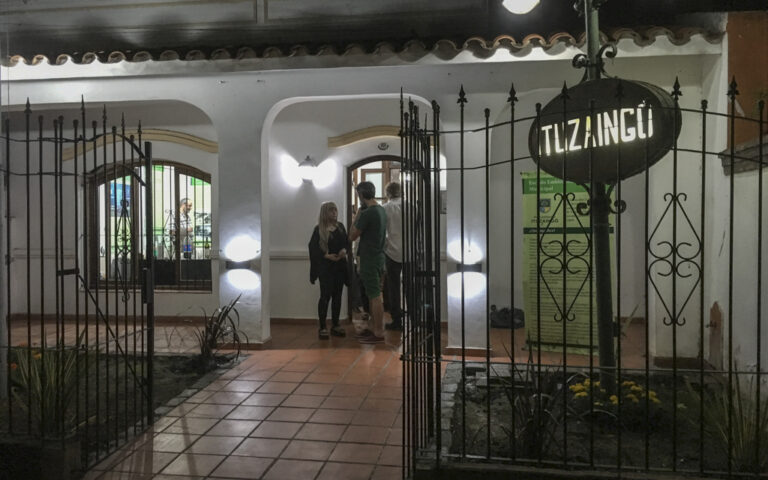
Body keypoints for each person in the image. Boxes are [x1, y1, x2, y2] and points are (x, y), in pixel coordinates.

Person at [349, 181, 387, 344]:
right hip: (379, 256)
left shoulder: (367, 213)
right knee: (375, 294)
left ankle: (378, 331)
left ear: (361, 194)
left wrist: (357, 215)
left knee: (374, 295)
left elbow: (352, 236)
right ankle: (374, 328)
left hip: (369, 258)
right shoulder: (381, 210)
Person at [308, 201, 349, 339]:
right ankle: (322, 326)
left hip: (339, 267)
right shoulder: (318, 230)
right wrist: (326, 255)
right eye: (331, 210)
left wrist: (344, 251)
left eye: (335, 210)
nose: (334, 213)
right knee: (325, 296)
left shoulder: (340, 227)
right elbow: (313, 248)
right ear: (325, 213)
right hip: (326, 268)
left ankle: (336, 324)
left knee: (338, 296)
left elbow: (346, 243)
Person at [382, 182, 404, 331]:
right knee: (411, 287)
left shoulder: (385, 208)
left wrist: (384, 247)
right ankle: (415, 318)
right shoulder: (411, 206)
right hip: (411, 252)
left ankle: (397, 320)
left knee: (393, 288)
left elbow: (382, 232)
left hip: (392, 251)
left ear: (388, 193)